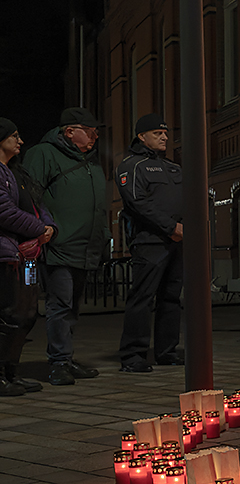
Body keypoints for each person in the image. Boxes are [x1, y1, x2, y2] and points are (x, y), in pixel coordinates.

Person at [23, 108, 109, 385]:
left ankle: (66, 359)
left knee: (71, 307)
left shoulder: (89, 161)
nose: (95, 136)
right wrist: (43, 229)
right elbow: (30, 195)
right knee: (60, 305)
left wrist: (103, 236)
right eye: (90, 130)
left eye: (96, 131)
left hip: (84, 246)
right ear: (70, 131)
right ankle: (58, 362)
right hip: (58, 244)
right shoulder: (43, 154)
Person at [116, 114, 183, 373]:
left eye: (165, 133)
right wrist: (171, 228)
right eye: (157, 133)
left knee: (171, 298)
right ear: (141, 136)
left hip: (177, 242)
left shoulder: (173, 167)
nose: (164, 137)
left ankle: (167, 352)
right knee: (142, 299)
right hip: (149, 242)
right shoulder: (131, 166)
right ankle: (133, 356)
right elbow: (138, 203)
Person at [0, 118, 55, 395]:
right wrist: (39, 228)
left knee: (26, 314)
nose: (20, 141)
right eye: (14, 136)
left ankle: (12, 372)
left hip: (28, 258)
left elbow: (38, 205)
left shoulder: (17, 173)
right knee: (7, 314)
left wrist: (50, 227)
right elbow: (4, 212)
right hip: (7, 257)